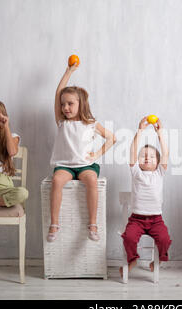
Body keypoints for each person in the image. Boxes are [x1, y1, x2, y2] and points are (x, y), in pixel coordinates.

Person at [47, 62, 116, 242]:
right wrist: (68, 72)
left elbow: (112, 138)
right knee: (56, 180)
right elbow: (57, 94)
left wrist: (97, 154)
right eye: (63, 105)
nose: (65, 108)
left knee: (92, 180)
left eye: (70, 104)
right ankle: (54, 224)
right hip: (65, 166)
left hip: (86, 165)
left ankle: (92, 223)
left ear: (81, 104)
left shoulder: (91, 124)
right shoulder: (62, 122)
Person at [120, 116, 172, 277]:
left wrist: (160, 134)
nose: (147, 157)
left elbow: (166, 153)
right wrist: (140, 131)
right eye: (143, 155)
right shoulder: (136, 172)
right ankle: (132, 259)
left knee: (165, 239)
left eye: (151, 156)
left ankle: (159, 260)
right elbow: (132, 150)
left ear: (158, 162)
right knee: (128, 237)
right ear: (138, 160)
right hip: (137, 219)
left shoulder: (159, 173)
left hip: (156, 219)